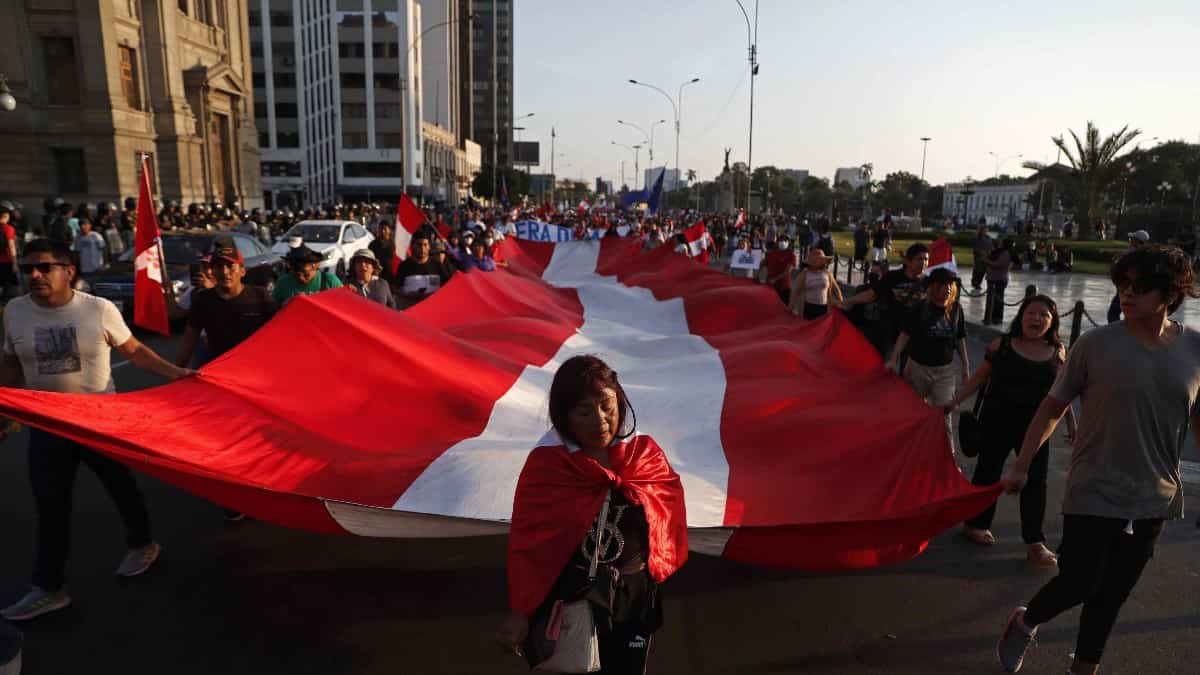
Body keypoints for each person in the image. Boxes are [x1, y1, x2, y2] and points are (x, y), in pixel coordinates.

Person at [995, 245, 1200, 675]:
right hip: (1094, 483)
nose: (1126, 295)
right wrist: (1022, 464)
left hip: (1155, 493)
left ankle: (1084, 668)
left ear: (1170, 295)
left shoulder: (1194, 349)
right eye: (1123, 285)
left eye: (1140, 288)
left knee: (1113, 595)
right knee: (1081, 581)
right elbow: (1052, 408)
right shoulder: (1095, 344)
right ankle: (1026, 620)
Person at [0, 239, 194, 622]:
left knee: (121, 487)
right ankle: (49, 587)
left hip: (99, 420)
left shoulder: (98, 310)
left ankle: (142, 543)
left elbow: (135, 351)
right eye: (28, 269)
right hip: (49, 423)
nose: (34, 275)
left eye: (44, 267)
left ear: (69, 270)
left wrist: (179, 375)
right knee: (51, 505)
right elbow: (10, 363)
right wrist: (7, 410)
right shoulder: (15, 312)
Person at [495, 355, 688, 674]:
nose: (599, 420)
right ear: (564, 416)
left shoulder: (644, 455)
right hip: (570, 600)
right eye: (584, 411)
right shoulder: (549, 467)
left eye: (606, 406)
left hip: (632, 599)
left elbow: (666, 509)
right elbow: (530, 547)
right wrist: (521, 610)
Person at [947, 295, 1075, 566]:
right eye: (1031, 313)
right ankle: (975, 524)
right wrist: (954, 401)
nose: (1037, 319)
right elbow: (979, 378)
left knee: (1035, 481)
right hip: (997, 421)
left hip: (1038, 428)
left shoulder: (1058, 352)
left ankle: (1034, 542)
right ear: (1021, 316)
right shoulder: (1002, 345)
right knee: (987, 472)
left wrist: (1072, 424)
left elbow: (1062, 393)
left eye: (1044, 315)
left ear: (1052, 322)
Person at [886, 268, 967, 445]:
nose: (947, 288)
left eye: (950, 285)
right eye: (942, 284)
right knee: (912, 412)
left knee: (944, 414)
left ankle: (947, 457)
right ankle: (908, 446)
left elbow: (960, 338)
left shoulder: (956, 309)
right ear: (932, 287)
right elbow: (905, 335)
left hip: (944, 372)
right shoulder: (919, 308)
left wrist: (965, 367)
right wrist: (893, 359)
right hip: (917, 368)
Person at [838, 243, 930, 355]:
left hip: (912, 332)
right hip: (889, 330)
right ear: (908, 261)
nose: (924, 263)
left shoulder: (928, 282)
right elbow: (870, 295)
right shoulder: (893, 277)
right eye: (919, 259)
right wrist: (847, 301)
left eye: (926, 259)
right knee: (884, 363)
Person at [272, 245, 343, 307]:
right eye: (296, 274)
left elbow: (345, 303)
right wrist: (286, 304)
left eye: (306, 274)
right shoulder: (283, 283)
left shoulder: (329, 281)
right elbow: (272, 309)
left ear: (316, 265)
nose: (301, 278)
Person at [395, 232, 454, 308]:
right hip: (411, 308)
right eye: (419, 245)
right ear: (412, 246)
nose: (422, 248)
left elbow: (449, 285)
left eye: (425, 245)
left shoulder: (438, 265)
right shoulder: (404, 266)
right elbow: (395, 288)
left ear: (429, 247)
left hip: (434, 309)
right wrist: (407, 295)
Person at [1106, 229, 1150, 323]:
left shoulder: (1138, 255)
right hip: (1124, 287)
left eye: (1132, 240)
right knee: (1115, 313)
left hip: (1130, 288)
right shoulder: (1133, 253)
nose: (1130, 242)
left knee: (1114, 313)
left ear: (1138, 241)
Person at [789, 248, 842, 321]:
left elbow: (836, 290)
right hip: (808, 307)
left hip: (824, 307)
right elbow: (795, 292)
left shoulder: (827, 274)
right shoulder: (804, 274)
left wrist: (841, 302)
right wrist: (791, 307)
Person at [984, 238, 1014, 325]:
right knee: (991, 299)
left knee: (998, 300)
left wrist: (986, 260)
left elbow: (998, 264)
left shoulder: (1006, 253)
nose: (999, 244)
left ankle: (997, 317)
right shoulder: (998, 252)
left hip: (999, 279)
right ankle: (990, 316)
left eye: (1001, 242)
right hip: (992, 278)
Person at [763, 237, 797, 305]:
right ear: (777, 242)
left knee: (783, 307)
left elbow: (788, 270)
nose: (783, 242)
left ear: (788, 243)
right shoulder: (770, 253)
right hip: (770, 285)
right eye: (781, 240)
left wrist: (775, 279)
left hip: (784, 286)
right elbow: (763, 264)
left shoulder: (791, 255)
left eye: (785, 240)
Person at [0, 205, 19, 302]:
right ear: (5, 216)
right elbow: (11, 246)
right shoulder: (8, 228)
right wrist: (15, 262)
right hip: (6, 260)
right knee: (8, 285)